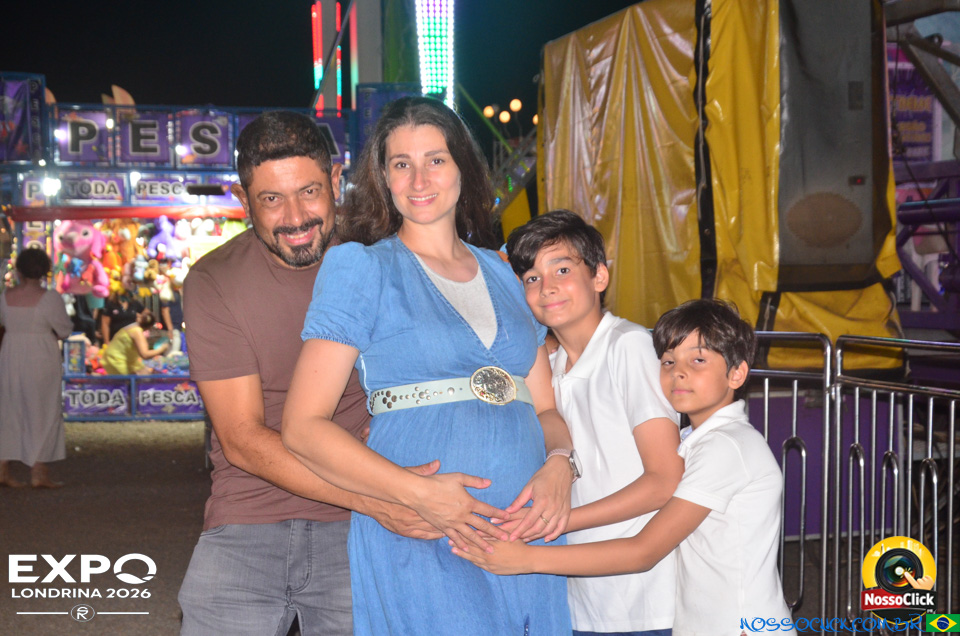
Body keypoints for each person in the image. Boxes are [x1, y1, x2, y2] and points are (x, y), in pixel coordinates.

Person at [281, 96, 575, 635]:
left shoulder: (508, 273)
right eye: (402, 163)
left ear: (463, 167)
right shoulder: (361, 267)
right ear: (384, 178)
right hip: (423, 530)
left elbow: (545, 408)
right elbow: (302, 427)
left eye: (435, 159)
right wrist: (419, 495)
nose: (419, 179)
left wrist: (560, 465)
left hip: (526, 528)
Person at [177, 110, 440, 636]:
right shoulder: (214, 280)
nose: (295, 217)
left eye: (310, 192)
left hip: (358, 525)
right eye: (272, 199)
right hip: (251, 512)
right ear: (242, 198)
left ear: (336, 179)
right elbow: (242, 439)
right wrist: (380, 499)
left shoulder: (383, 258)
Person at [452, 299, 796, 636]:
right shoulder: (701, 441)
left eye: (698, 360)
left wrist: (527, 559)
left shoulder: (726, 446)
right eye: (668, 361)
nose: (678, 372)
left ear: (737, 373)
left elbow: (643, 551)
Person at [505, 210, 683, 635]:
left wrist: (558, 521)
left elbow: (664, 480)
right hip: (585, 600)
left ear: (599, 276)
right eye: (531, 278)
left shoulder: (629, 347)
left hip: (647, 599)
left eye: (562, 270)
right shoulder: (549, 368)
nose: (546, 287)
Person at [0, 248, 73, 488]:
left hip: (10, 354)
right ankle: (38, 470)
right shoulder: (49, 298)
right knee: (42, 410)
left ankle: (3, 467)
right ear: (44, 271)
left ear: (19, 270)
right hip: (40, 355)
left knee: (9, 409)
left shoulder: (6, 296)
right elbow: (64, 329)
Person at [100, 308, 169, 375]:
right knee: (130, 380)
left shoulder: (134, 327)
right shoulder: (137, 332)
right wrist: (162, 349)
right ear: (149, 327)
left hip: (128, 360)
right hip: (116, 360)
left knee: (145, 374)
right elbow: (145, 354)